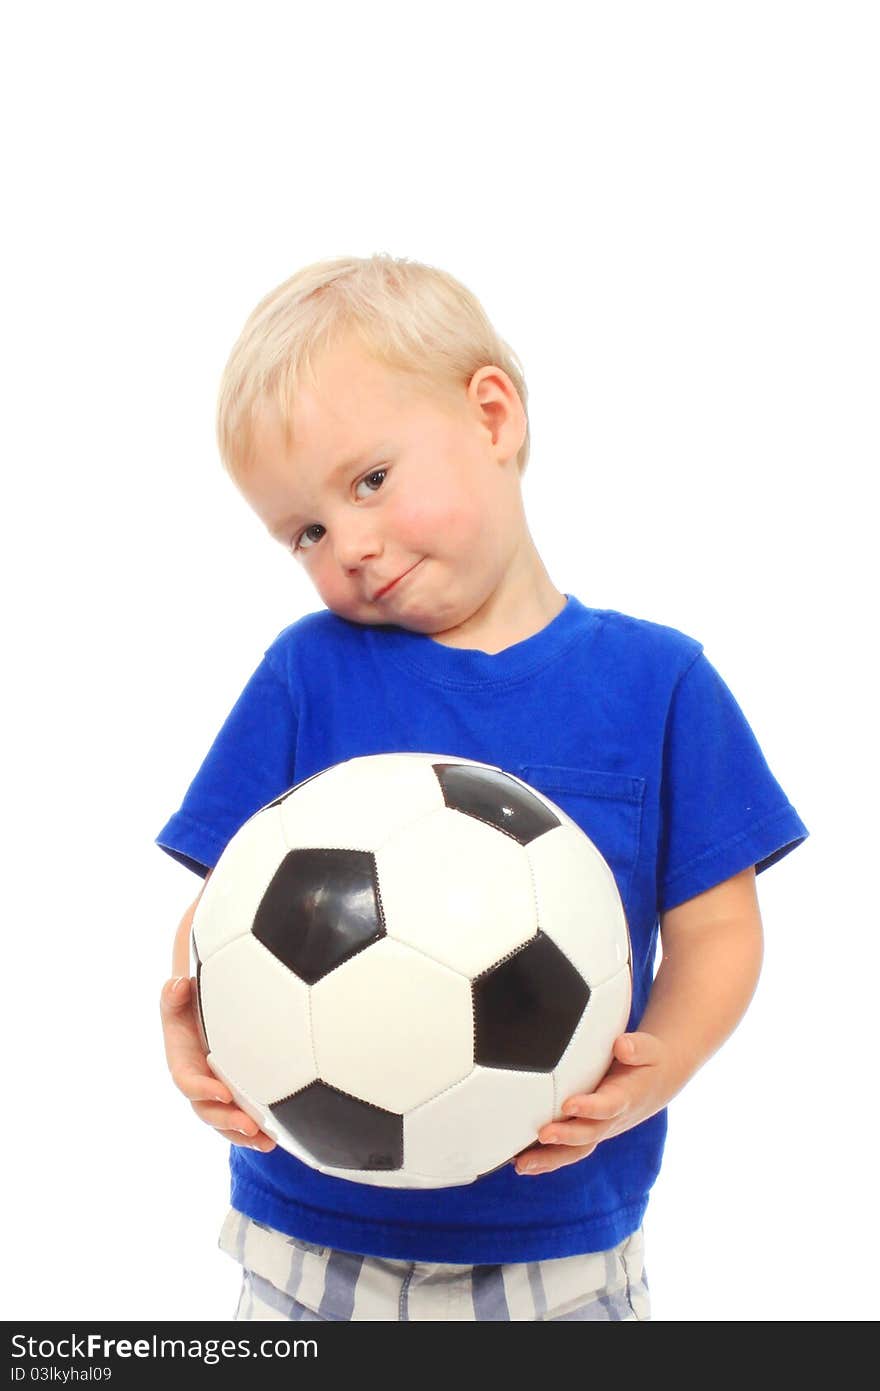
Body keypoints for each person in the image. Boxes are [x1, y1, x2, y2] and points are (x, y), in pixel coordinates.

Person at [156, 254, 809, 1322]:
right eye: (305, 533)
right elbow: (224, 908)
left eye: (368, 480)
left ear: (493, 416)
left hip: (557, 1251)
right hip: (307, 1239)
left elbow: (720, 929)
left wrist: (659, 1068)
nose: (350, 547)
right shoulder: (304, 672)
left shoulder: (657, 683)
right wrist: (192, 1017)